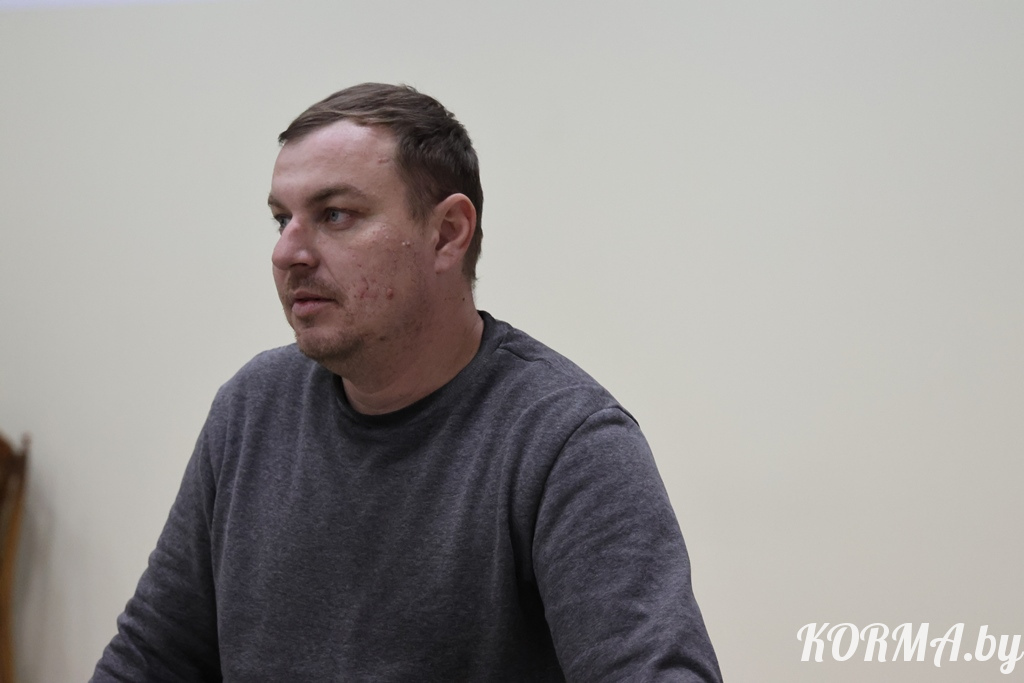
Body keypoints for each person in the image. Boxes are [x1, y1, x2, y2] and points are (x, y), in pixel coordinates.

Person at [92, 83, 722, 682]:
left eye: (335, 214)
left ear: (447, 234)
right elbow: (152, 657)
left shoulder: (567, 444)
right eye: (282, 219)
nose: (287, 253)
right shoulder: (252, 408)